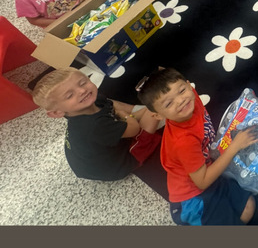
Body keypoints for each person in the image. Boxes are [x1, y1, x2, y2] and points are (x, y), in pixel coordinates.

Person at [137, 67, 258, 225]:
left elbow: (170, 80)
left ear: (189, 85)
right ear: (158, 116)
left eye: (181, 91)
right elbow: (201, 182)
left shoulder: (190, 98)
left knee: (248, 208)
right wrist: (234, 146)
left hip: (206, 168)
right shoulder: (183, 141)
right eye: (169, 103)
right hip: (192, 197)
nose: (181, 101)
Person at [32, 67, 162, 181]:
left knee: (145, 110)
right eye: (69, 95)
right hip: (115, 167)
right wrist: (126, 115)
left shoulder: (90, 99)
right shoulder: (94, 126)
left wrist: (128, 114)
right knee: (154, 109)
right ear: (57, 112)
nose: (82, 91)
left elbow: (113, 105)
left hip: (94, 154)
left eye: (83, 83)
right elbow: (134, 129)